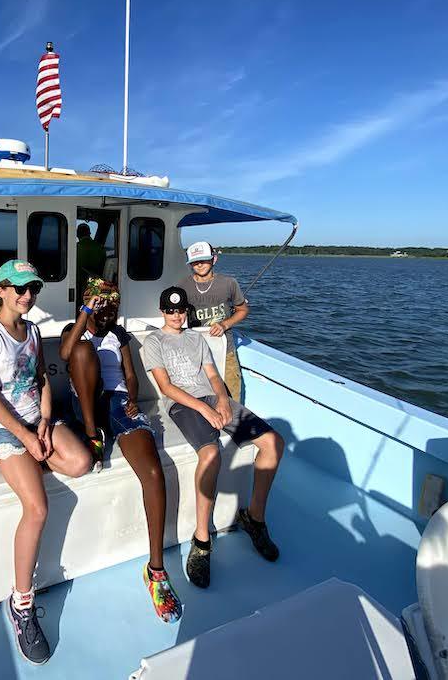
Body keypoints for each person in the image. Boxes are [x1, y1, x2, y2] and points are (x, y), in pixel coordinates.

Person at [0, 260, 92, 665]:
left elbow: (41, 378)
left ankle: (30, 462)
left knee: (81, 462)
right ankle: (22, 602)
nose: (27, 296)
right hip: (4, 429)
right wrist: (24, 438)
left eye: (33, 289)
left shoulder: (34, 330)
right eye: (20, 288)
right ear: (2, 290)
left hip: (34, 421)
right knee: (37, 508)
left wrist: (43, 421)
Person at [141, 286, 285, 590]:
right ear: (162, 311)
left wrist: (221, 400)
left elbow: (214, 376)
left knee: (273, 443)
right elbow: (166, 387)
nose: (176, 316)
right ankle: (202, 540)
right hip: (183, 405)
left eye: (181, 310)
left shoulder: (197, 338)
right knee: (211, 454)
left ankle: (255, 518)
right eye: (170, 310)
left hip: (211, 398)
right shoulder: (154, 341)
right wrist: (204, 410)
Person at [58, 278, 184, 623]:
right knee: (82, 352)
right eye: (101, 306)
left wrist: (131, 397)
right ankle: (92, 435)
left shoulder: (119, 335)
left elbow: (130, 375)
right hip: (85, 404)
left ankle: (155, 571)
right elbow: (66, 354)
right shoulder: (74, 330)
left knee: (153, 471)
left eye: (112, 307)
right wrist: (86, 312)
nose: (107, 312)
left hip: (117, 403)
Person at [176, 241, 249, 400]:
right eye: (195, 261)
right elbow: (175, 317)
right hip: (194, 350)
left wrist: (224, 324)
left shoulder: (229, 283)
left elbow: (242, 310)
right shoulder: (182, 286)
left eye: (204, 260)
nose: (199, 264)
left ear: (214, 259)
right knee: (198, 395)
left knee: (232, 394)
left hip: (225, 348)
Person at [75, 222, 106, 298]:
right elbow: (104, 265)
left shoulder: (75, 247)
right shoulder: (100, 247)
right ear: (89, 234)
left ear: (77, 235)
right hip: (96, 284)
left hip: (78, 284)